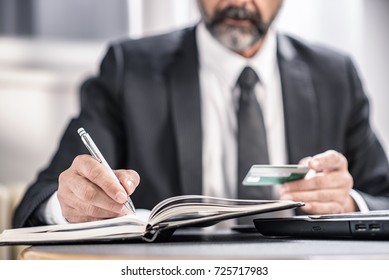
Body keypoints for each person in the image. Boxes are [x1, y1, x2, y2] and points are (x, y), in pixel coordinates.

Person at [13, 0, 389, 227]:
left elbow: (382, 198)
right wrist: (69, 204)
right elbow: (37, 201)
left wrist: (349, 203)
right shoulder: (129, 69)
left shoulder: (335, 75)